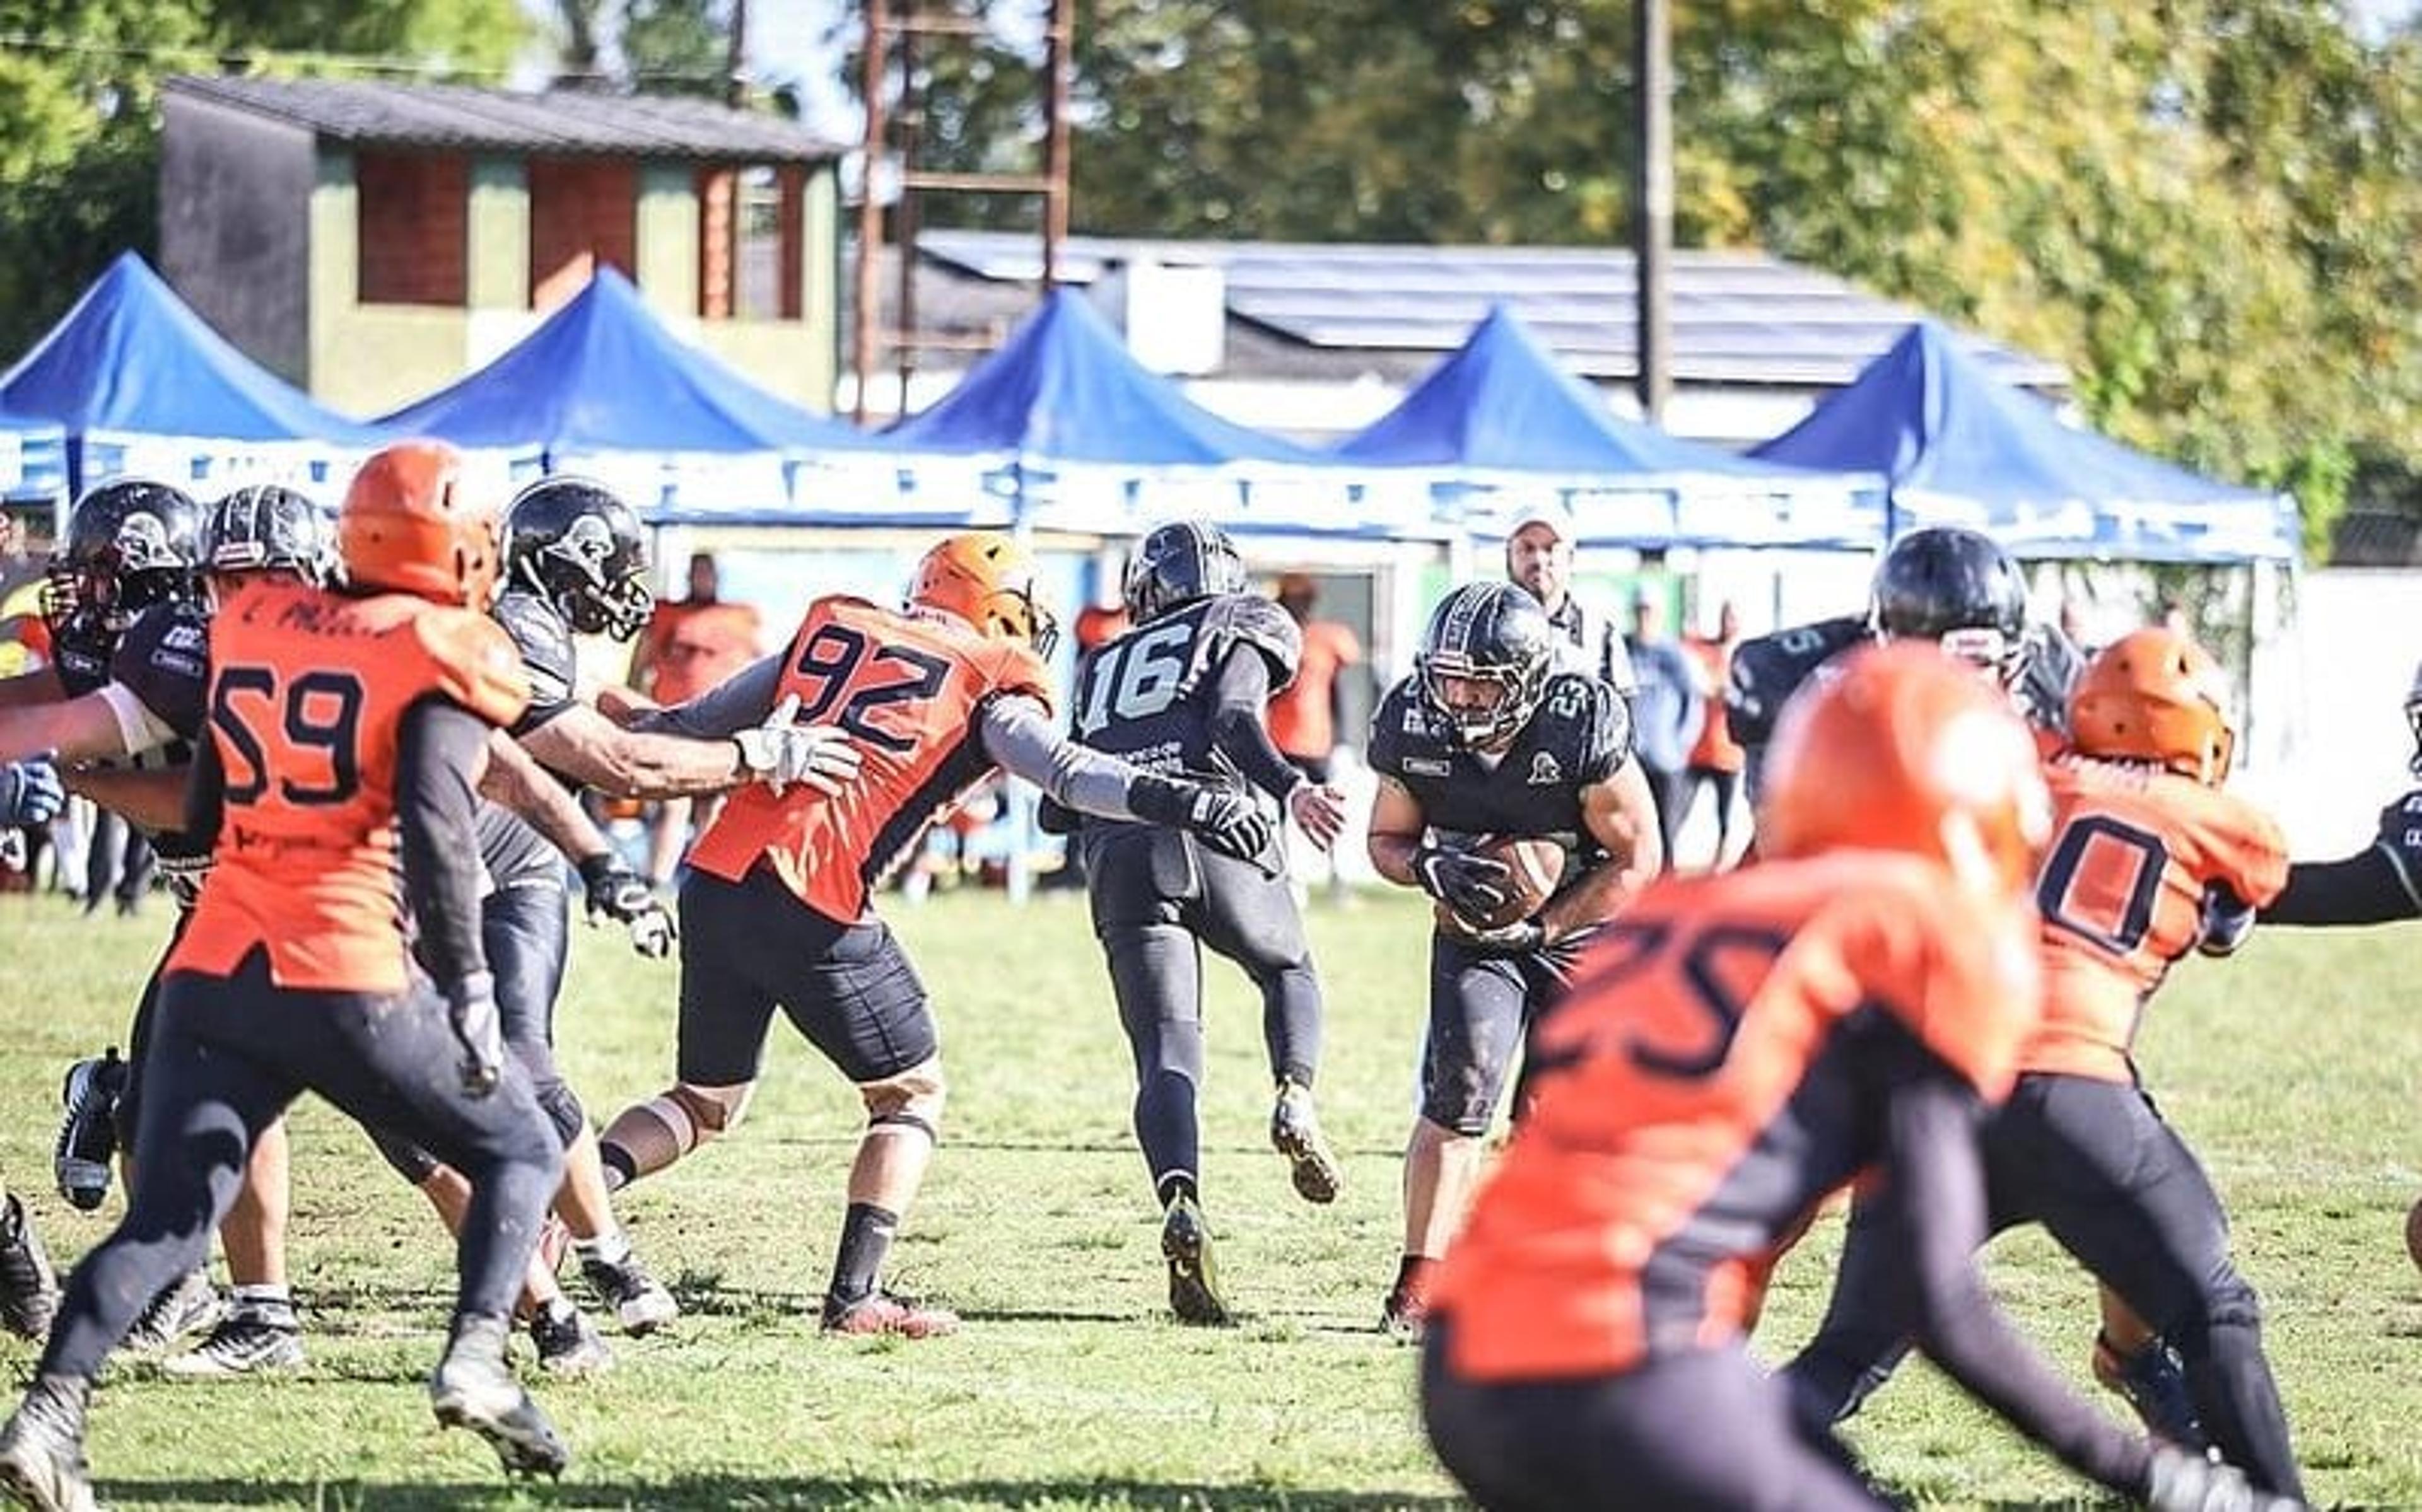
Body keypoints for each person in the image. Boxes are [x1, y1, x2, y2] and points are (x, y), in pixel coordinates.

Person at [1419, 641, 2300, 1512]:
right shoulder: (1917, 932)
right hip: (1628, 1363)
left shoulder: (1676, 911)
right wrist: (2155, 1473)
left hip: (1465, 1361)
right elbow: (1937, 1300)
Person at [0, 441, 576, 1509]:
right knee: (521, 1142)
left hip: (215, 963)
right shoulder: (437, 648)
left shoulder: (250, 635)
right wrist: (472, 994)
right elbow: (444, 845)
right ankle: (477, 1357)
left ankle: (47, 1416)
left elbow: (211, 811)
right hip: (344, 962)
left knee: (165, 1221)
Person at [594, 532, 1273, 1338]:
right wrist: (1186, 801)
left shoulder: (837, 623)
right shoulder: (994, 676)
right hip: (816, 892)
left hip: (716, 876)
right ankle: (855, 1297)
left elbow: (688, 722)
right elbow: (1066, 773)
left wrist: (581, 709)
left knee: (705, 1102)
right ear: (997, 608)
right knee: (909, 1093)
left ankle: (565, 1204)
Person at [1784, 627, 2304, 1498]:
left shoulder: (2028, 775)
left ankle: (1678, 1478)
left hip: (1933, 1079)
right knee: (2215, 1306)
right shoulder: (2223, 818)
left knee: (1848, 1352)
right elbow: (2237, 907)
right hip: (2067, 1084)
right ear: (2200, 730)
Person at [1724, 523, 2195, 1439]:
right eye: (1962, 656)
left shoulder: (2056, 678)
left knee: (2128, 1176)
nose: (1986, 676)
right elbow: (1776, 859)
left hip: (1996, 966)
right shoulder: (1827, 698)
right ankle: (1698, 1373)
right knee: (1764, 1208)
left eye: (1995, 656)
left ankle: (2134, 1354)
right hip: (1849, 962)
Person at [1053, 521, 1350, 1325]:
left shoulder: (1099, 662)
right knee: (1287, 969)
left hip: (1121, 851)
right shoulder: (1241, 620)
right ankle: (1295, 1094)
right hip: (1219, 823)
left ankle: (1181, 1199)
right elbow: (1230, 716)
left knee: (1165, 1050)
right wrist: (1290, 789)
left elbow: (1057, 802)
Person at [1364, 581, 1662, 1336]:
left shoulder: (1580, 719)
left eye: (1480, 682)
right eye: (1448, 677)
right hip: (1473, 929)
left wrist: (1548, 925)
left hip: (1583, 928)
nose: (1458, 698)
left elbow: (1638, 857)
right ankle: (1419, 1280)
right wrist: (1430, 868)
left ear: (1528, 679)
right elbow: (1385, 839)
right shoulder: (1411, 718)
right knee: (1457, 1095)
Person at [628, 551, 765, 888]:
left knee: (714, 801)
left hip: (723, 720)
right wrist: (635, 709)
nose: (702, 578)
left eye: (708, 572)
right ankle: (657, 878)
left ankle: (704, 878)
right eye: (697, 572)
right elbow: (639, 665)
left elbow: (763, 663)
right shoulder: (665, 614)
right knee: (672, 799)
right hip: (675, 719)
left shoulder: (741, 617)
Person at [1502, 509, 1635, 694]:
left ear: (1570, 558)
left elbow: (1624, 716)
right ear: (1509, 557)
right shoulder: (1484, 627)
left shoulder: (1600, 633)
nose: (1539, 559)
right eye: (1527, 548)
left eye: (1550, 548)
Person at [1620, 588, 1704, 864]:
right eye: (1640, 611)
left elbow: (1692, 703)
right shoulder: (1623, 649)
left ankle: (1667, 892)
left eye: (1650, 612)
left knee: (1667, 831)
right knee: (1632, 834)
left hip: (1666, 760)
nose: (1645, 618)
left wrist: (1681, 746)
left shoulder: (1674, 655)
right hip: (1631, 761)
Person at [1682, 599, 1746, 866]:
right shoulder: (1704, 649)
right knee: (1675, 814)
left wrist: (1718, 688)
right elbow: (1688, 658)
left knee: (1725, 819)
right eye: (1724, 616)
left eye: (1732, 617)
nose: (1727, 623)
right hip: (1697, 752)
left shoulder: (1745, 655)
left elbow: (1727, 692)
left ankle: (1719, 867)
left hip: (1729, 754)